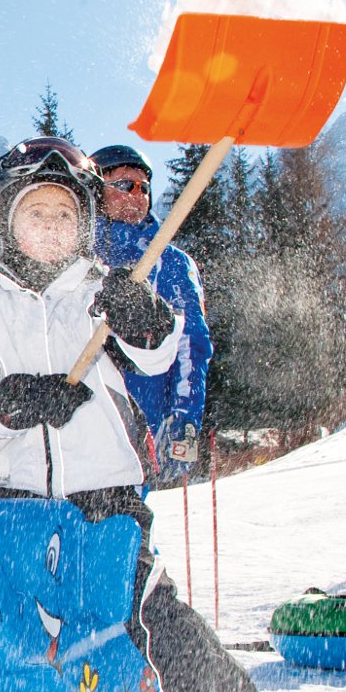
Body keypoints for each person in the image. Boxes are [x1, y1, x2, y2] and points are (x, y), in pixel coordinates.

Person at [0, 136, 298, 692]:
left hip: (101, 494)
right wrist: (12, 401)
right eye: (35, 214)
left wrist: (145, 320)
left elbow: (158, 351)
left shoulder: (104, 293)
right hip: (8, 496)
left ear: (84, 223)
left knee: (144, 607)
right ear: (7, 222)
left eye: (63, 215)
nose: (50, 228)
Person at [90, 144, 212, 481]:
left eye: (144, 187)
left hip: (142, 424)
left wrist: (183, 417)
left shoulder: (171, 262)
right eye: (125, 185)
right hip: (80, 420)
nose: (138, 195)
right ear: (96, 193)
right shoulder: (76, 256)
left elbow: (192, 343)